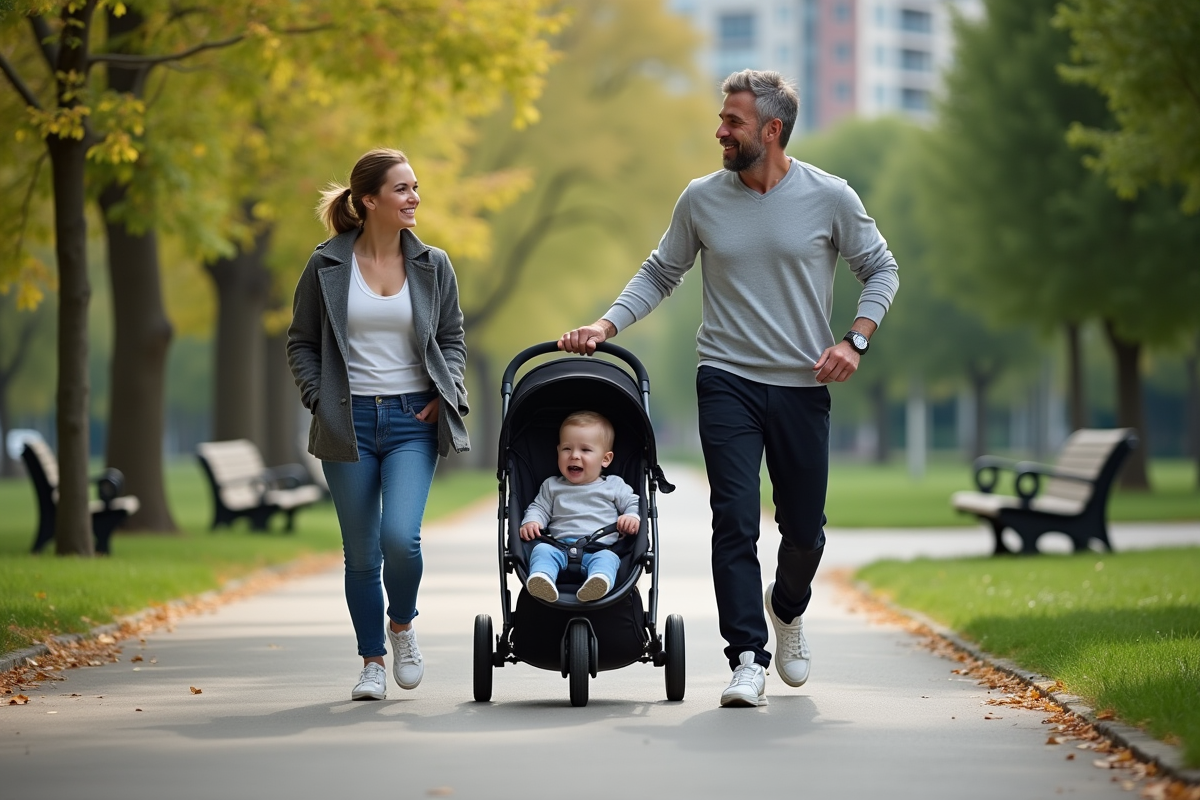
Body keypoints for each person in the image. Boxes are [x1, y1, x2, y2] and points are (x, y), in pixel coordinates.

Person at [558, 70, 899, 707]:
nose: (720, 130)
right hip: (726, 380)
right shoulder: (701, 199)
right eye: (722, 118)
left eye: (733, 121)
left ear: (771, 131)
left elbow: (880, 267)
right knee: (734, 520)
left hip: (801, 383)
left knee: (804, 531)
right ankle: (747, 656)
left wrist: (855, 339)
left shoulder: (830, 196)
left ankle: (787, 609)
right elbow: (660, 272)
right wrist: (606, 324)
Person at [287, 147, 470, 701]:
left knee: (400, 538)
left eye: (415, 188)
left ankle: (403, 626)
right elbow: (300, 340)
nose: (414, 198)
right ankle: (371, 660)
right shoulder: (326, 265)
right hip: (349, 424)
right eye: (402, 189)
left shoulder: (432, 264)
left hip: (413, 420)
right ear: (369, 201)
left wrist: (448, 391)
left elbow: (453, 338)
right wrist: (318, 398)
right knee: (362, 552)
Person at [518, 411, 640, 603]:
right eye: (567, 449)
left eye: (585, 450)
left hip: (600, 549)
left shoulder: (614, 485)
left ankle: (598, 583)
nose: (574, 456)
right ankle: (543, 580)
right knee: (541, 552)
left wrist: (631, 516)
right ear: (558, 452)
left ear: (605, 459)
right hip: (558, 547)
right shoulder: (552, 486)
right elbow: (539, 508)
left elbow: (634, 503)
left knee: (609, 561)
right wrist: (532, 521)